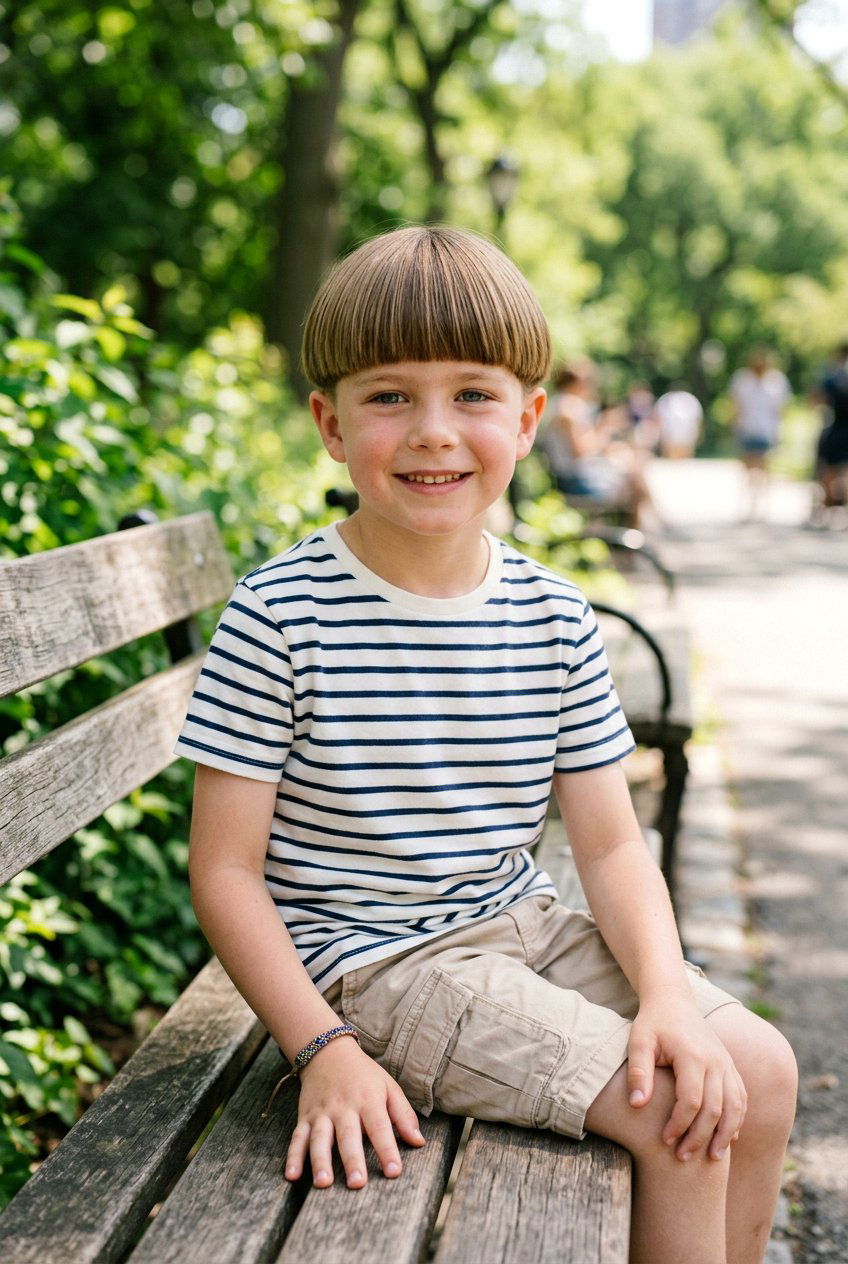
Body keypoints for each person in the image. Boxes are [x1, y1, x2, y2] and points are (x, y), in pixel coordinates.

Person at [175, 227, 796, 1264]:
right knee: (677, 1112)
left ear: (528, 417)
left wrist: (668, 997)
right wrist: (321, 1048)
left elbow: (605, 845)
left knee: (759, 1069)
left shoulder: (550, 614)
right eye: (389, 397)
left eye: (471, 395)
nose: (432, 432)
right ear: (329, 423)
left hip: (517, 922)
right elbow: (225, 870)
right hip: (373, 969)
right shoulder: (281, 615)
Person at [538, 361, 654, 528]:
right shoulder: (569, 408)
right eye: (589, 382)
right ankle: (632, 543)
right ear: (578, 383)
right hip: (576, 482)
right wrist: (605, 428)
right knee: (636, 481)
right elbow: (582, 451)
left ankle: (633, 539)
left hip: (572, 477)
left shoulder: (559, 403)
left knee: (633, 468)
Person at [729, 349, 791, 520]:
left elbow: (781, 408)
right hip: (747, 429)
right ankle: (750, 503)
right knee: (748, 469)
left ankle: (761, 504)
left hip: (766, 430)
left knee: (763, 467)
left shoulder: (776, 381)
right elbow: (736, 404)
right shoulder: (742, 379)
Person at [811, 340, 848, 520]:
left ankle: (826, 507)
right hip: (840, 427)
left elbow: (817, 400)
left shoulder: (833, 377)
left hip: (836, 427)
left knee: (827, 469)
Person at [654, 382, 703, 460]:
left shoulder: (666, 399)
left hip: (678, 431)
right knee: (676, 454)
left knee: (680, 454)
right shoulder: (689, 399)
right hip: (676, 431)